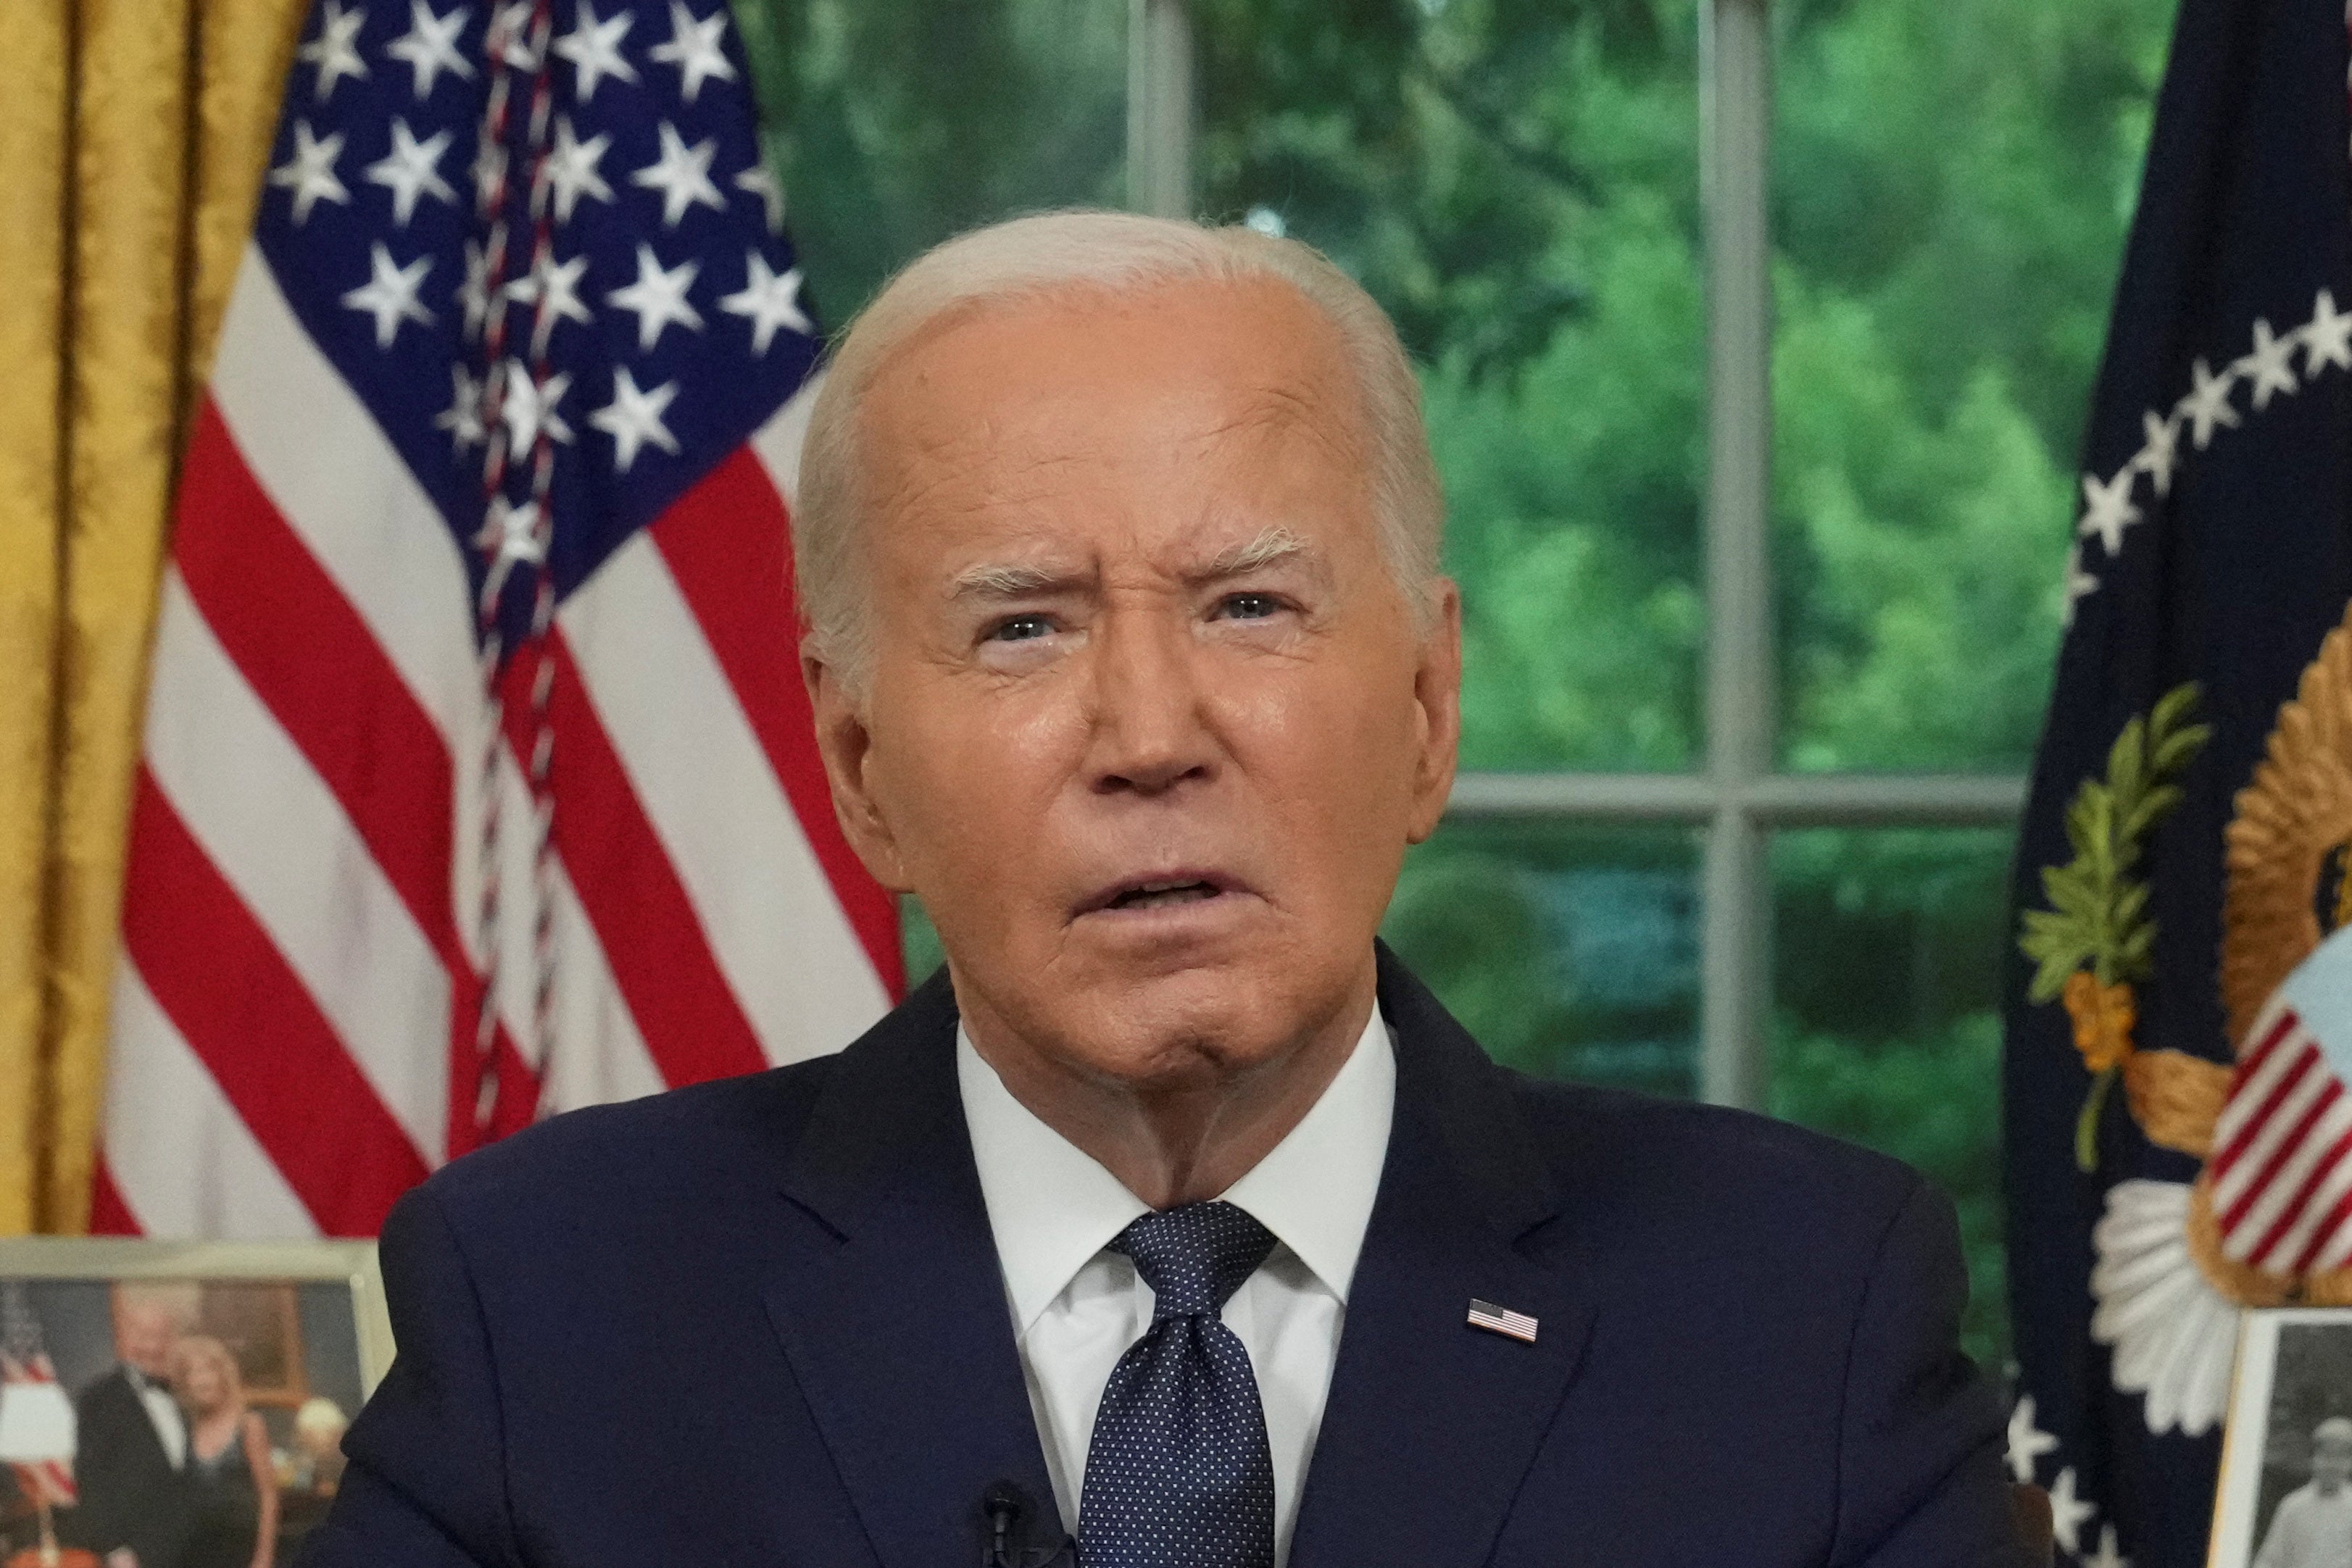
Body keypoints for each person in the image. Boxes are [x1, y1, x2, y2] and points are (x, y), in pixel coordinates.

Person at [298, 210, 2025, 1567]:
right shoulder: (553, 1311)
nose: (1147, 733)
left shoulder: (1797, 1315)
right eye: (1022, 625)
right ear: (857, 769)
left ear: (1426, 712)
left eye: (1249, 606)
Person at [73, 1285, 196, 1568]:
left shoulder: (187, 1391)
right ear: (127, 1336)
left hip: (196, 1548)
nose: (153, 1347)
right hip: (137, 1555)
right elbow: (91, 1481)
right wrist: (115, 1549)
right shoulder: (98, 1398)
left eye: (161, 1336)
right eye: (145, 1336)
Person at [169, 1336, 277, 1568]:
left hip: (243, 1549)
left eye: (208, 1370)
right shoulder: (184, 1430)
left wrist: (264, 1558)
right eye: (193, 1373)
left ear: (223, 1376)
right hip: (197, 1552)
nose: (202, 1380)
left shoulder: (248, 1425)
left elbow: (268, 1496)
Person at [2256, 1417, 2352, 1568]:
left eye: (2340, 1457)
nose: (2332, 1465)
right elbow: (2270, 1560)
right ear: (2314, 1459)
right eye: (2326, 1456)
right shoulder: (2293, 1506)